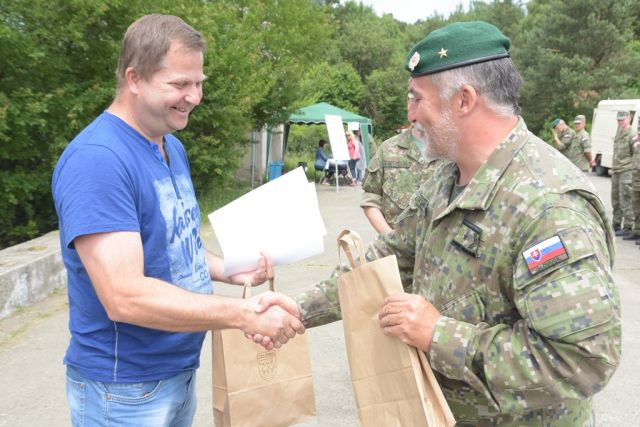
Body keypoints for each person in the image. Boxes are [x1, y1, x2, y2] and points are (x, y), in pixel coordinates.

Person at [257, 21, 621, 425]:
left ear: (464, 100)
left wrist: (438, 335)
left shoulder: (547, 205)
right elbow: (389, 259)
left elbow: (581, 360)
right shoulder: (448, 176)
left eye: (417, 99)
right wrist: (299, 308)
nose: (411, 114)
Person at [51, 14, 304, 426]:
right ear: (134, 78)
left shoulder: (170, 145)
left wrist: (230, 269)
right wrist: (242, 314)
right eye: (180, 84)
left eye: (199, 82)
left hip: (177, 374)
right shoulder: (98, 160)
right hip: (124, 390)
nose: (195, 97)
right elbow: (124, 295)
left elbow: (176, 245)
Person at [361, 93, 439, 235]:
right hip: (395, 246)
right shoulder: (387, 150)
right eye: (413, 100)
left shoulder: (456, 153)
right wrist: (390, 238)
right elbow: (371, 199)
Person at [611, 111, 635, 236]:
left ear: (629, 119)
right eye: (619, 120)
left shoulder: (632, 134)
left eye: (623, 119)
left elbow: (635, 154)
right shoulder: (618, 131)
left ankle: (628, 226)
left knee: (626, 199)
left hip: (626, 171)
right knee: (615, 199)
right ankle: (616, 223)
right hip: (616, 170)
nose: (620, 122)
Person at [626, 120, 640, 242]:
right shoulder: (636, 139)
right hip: (636, 177)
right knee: (636, 205)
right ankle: (637, 231)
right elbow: (632, 155)